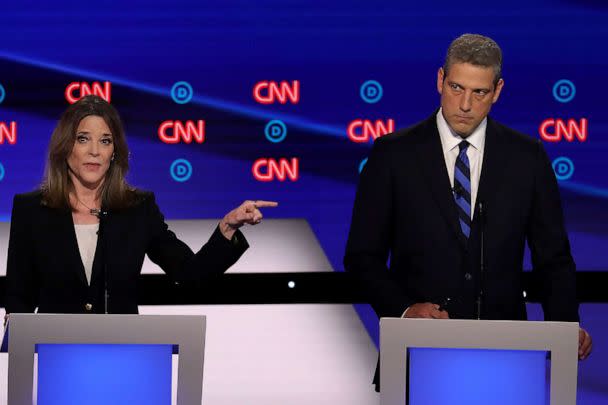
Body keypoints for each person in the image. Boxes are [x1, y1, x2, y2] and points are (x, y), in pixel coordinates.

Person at [344, 34, 592, 390]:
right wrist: (404, 310)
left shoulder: (527, 158)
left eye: (478, 92)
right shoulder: (393, 154)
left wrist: (566, 327)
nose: (464, 104)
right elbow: (361, 257)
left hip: (507, 357)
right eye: (456, 87)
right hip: (417, 356)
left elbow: (553, 259)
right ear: (440, 80)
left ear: (498, 90)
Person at [5, 95, 277, 316]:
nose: (95, 151)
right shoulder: (32, 210)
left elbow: (189, 274)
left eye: (105, 141)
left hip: (123, 357)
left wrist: (227, 228)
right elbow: (19, 297)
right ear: (65, 147)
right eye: (83, 139)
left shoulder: (137, 209)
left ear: (115, 153)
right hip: (57, 359)